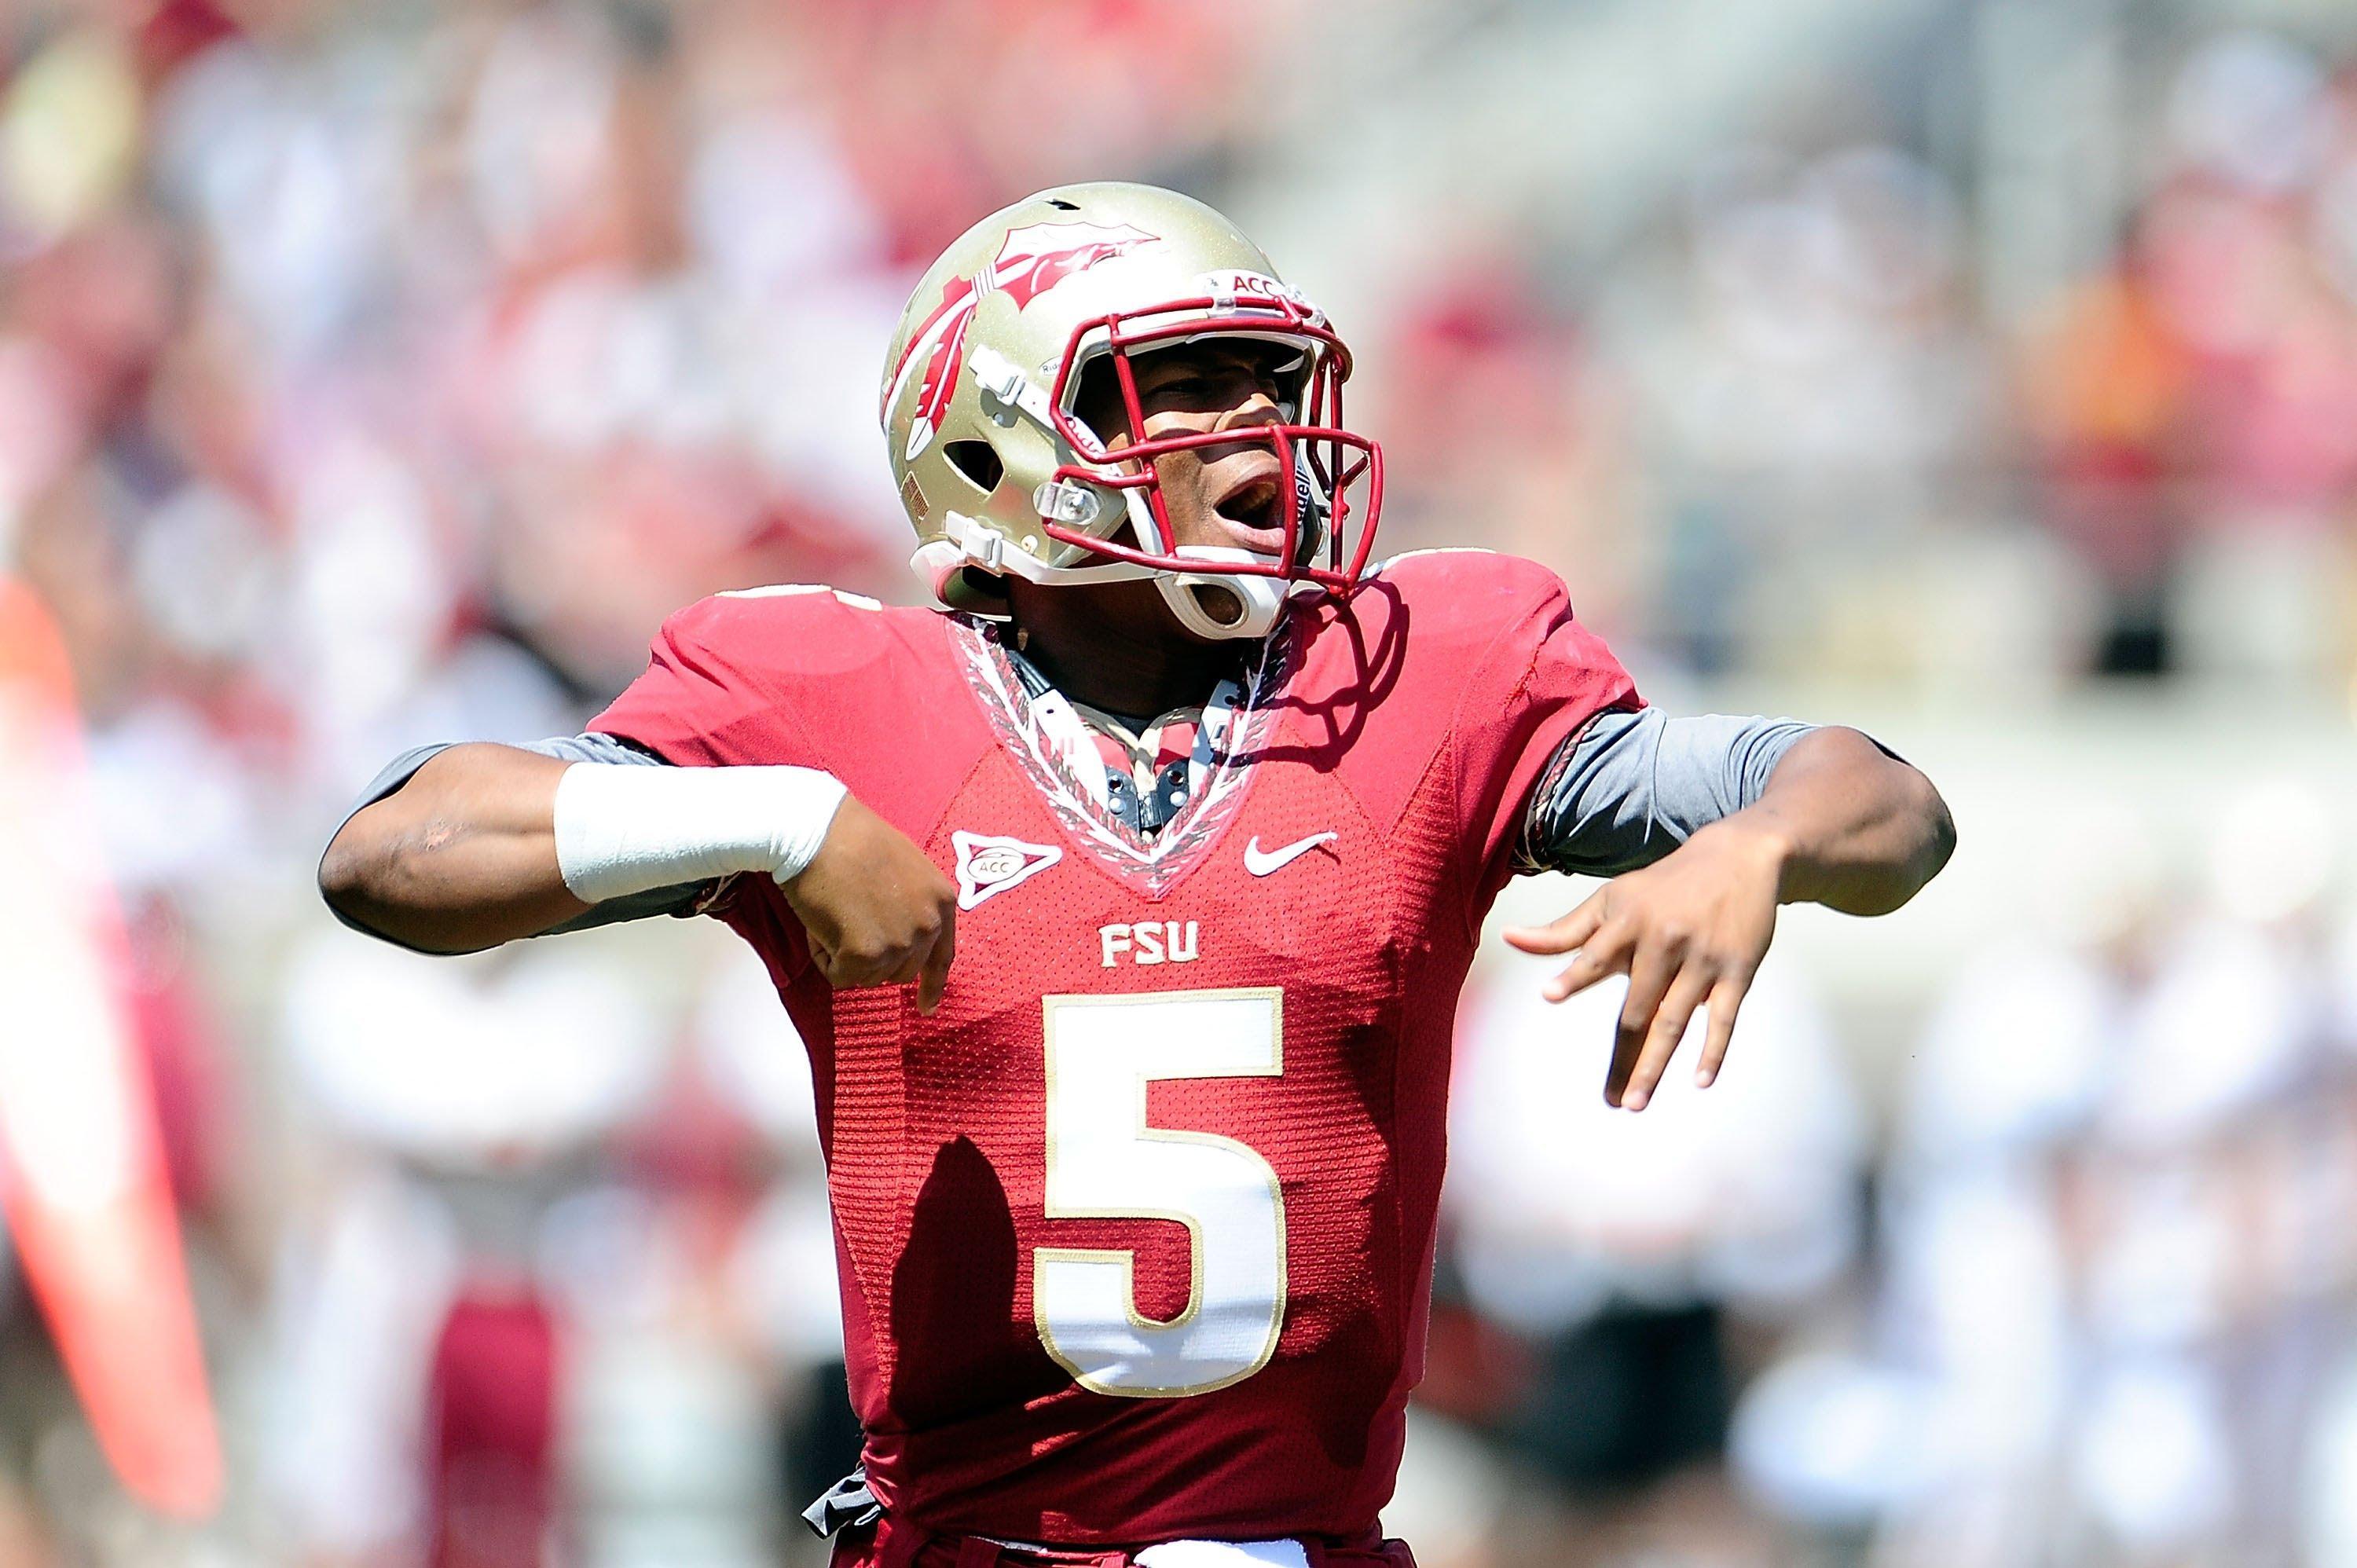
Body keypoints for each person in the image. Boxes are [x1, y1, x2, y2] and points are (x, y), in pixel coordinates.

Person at [319, 183, 1953, 1568]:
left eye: (1269, 378)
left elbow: (1889, 806)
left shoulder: (1415, 673)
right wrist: (772, 824)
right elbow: (390, 855)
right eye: (1187, 384)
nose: (1263, 432)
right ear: (997, 442)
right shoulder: (821, 705)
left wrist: (1756, 845)